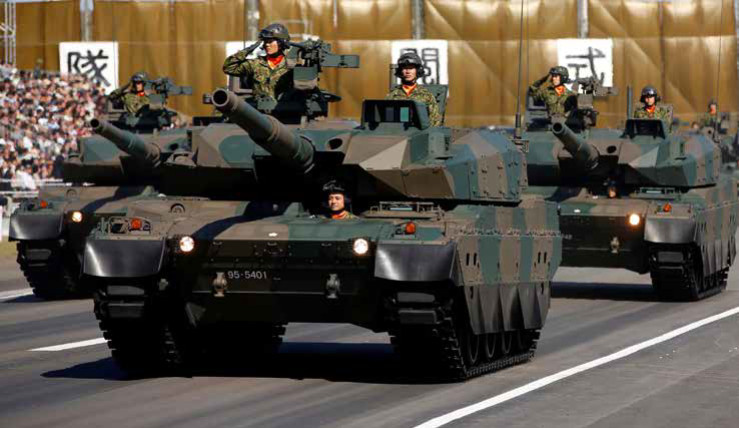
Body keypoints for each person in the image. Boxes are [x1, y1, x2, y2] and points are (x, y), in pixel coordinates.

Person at [222, 23, 293, 99]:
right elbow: (229, 68)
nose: (267, 44)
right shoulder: (256, 64)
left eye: (270, 41)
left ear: (281, 43)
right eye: (265, 42)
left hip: (284, 105)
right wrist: (249, 49)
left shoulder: (291, 65)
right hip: (259, 105)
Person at [386, 52, 442, 127]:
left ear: (417, 71)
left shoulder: (427, 96)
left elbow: (435, 122)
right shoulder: (392, 96)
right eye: (405, 68)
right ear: (400, 71)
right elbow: (387, 122)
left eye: (411, 68)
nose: (408, 72)